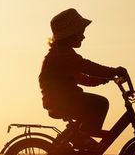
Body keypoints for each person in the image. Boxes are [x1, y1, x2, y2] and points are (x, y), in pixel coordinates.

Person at [38, 8, 126, 147]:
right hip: (62, 100)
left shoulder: (60, 54)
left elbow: (80, 78)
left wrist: (101, 80)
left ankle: (80, 136)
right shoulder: (63, 55)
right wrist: (113, 71)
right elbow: (87, 66)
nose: (83, 37)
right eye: (81, 33)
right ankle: (83, 137)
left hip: (61, 99)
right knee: (100, 103)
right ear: (70, 34)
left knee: (92, 106)